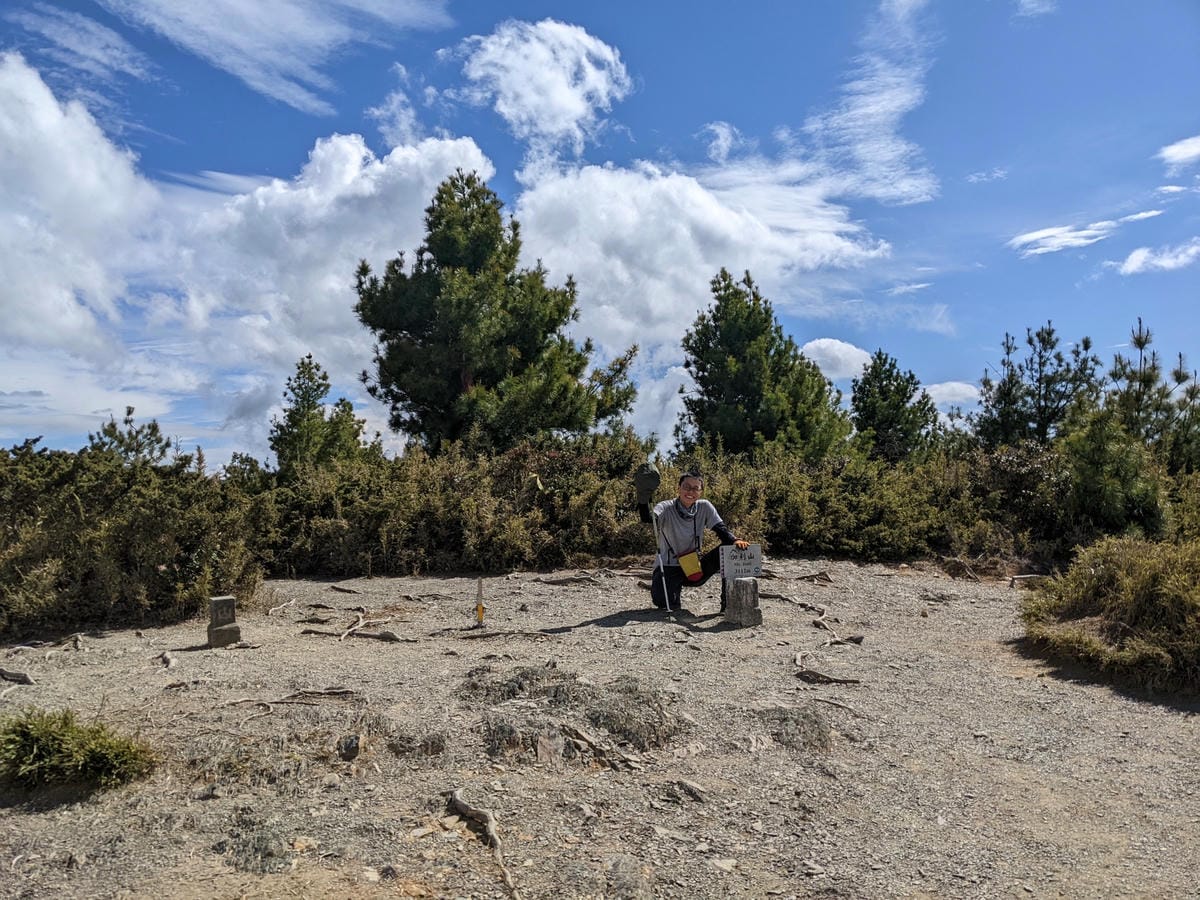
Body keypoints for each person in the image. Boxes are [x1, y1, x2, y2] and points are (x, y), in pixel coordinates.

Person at [649, 471, 748, 613]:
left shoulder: (704, 506)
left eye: (696, 488)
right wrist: (643, 500)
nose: (691, 492)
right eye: (686, 487)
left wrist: (735, 541)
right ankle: (669, 591)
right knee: (663, 604)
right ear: (678, 488)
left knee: (729, 548)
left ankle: (728, 605)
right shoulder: (665, 506)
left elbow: (721, 530)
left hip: (694, 566)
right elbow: (651, 518)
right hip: (668, 566)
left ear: (701, 492)